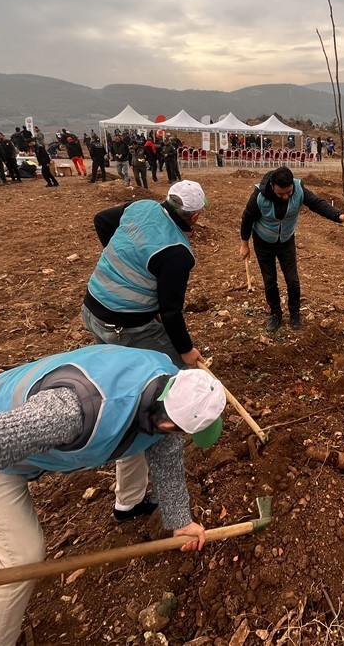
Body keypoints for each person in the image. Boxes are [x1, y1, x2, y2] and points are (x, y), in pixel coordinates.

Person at [0, 345, 225, 646]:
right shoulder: (67, 414)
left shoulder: (166, 384)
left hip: (28, 434)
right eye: (183, 432)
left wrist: (181, 522)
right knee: (23, 557)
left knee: (145, 440)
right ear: (167, 420)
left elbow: (165, 450)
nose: (180, 438)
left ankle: (128, 503)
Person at [82, 181, 209, 522]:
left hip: (94, 310)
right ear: (194, 216)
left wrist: (126, 263)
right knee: (170, 385)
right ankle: (180, 424)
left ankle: (128, 499)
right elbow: (169, 313)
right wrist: (186, 351)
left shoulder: (142, 208)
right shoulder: (177, 253)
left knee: (125, 390)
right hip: (126, 327)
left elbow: (101, 221)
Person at [239, 166, 344, 332]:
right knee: (270, 280)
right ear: (272, 186)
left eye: (289, 192)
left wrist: (339, 216)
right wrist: (244, 243)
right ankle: (275, 314)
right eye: (281, 194)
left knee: (292, 280)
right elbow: (247, 218)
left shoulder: (299, 190)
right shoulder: (259, 196)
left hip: (286, 240)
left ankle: (295, 314)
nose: (286, 196)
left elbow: (317, 204)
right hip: (263, 241)